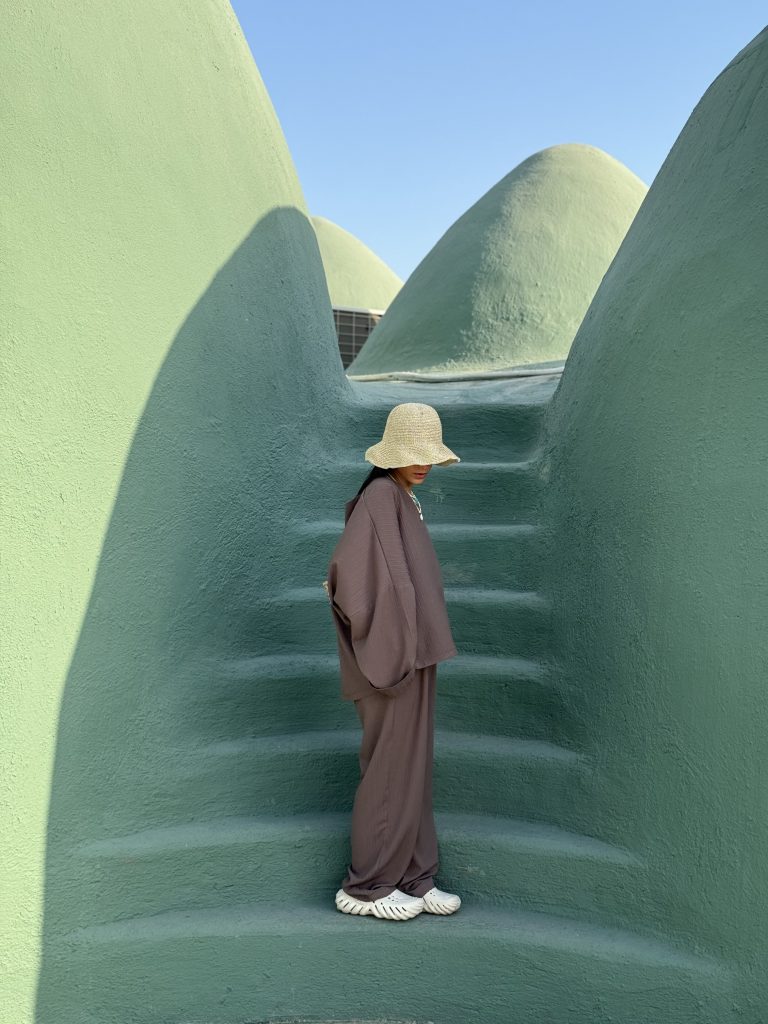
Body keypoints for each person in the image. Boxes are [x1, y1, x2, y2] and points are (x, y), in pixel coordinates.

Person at [324, 402, 463, 921]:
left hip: (414, 653)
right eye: (413, 453)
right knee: (388, 769)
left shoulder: (400, 496)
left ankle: (413, 876)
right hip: (391, 656)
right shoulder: (381, 496)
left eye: (428, 454)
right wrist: (393, 644)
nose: (423, 463)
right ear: (391, 454)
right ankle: (366, 887)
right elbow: (349, 577)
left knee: (412, 767)